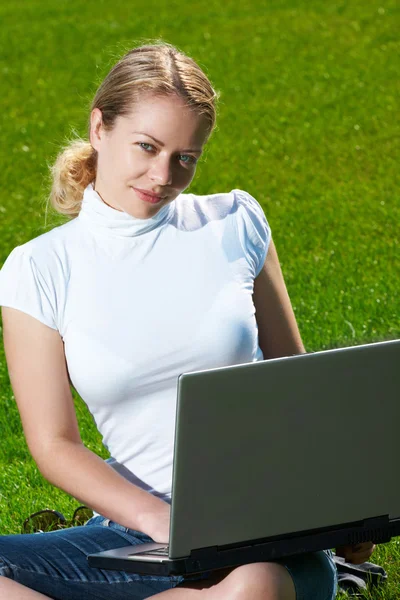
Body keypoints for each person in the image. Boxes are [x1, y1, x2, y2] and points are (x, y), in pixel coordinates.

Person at [0, 41, 374, 600]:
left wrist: (344, 504)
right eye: (146, 147)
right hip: (135, 529)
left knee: (256, 586)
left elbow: (297, 381)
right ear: (99, 128)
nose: (162, 174)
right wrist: (162, 524)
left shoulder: (233, 223)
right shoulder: (39, 268)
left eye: (185, 158)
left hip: (259, 536)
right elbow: (55, 444)